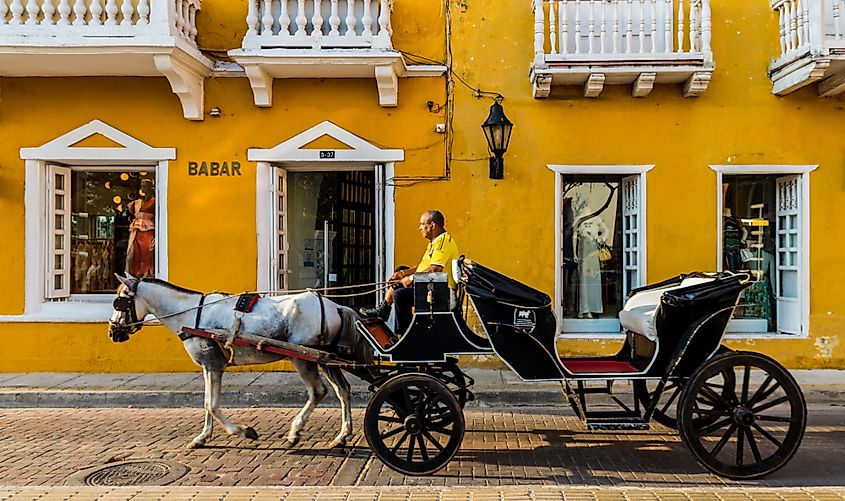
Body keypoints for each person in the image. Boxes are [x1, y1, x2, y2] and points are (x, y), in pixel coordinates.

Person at [360, 209, 460, 333]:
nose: (420, 228)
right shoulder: (434, 242)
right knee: (400, 271)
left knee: (400, 295)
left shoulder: (442, 243)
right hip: (430, 288)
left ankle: (406, 333)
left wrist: (410, 278)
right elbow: (422, 267)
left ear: (432, 225)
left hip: (439, 294)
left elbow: (435, 269)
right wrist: (403, 274)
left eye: (422, 224)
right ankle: (384, 308)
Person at [126, 178, 156, 277]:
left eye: (145, 186)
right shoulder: (137, 203)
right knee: (134, 253)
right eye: (142, 186)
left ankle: (147, 274)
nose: (143, 188)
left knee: (147, 252)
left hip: (148, 232)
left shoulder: (154, 202)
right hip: (136, 231)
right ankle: (135, 274)